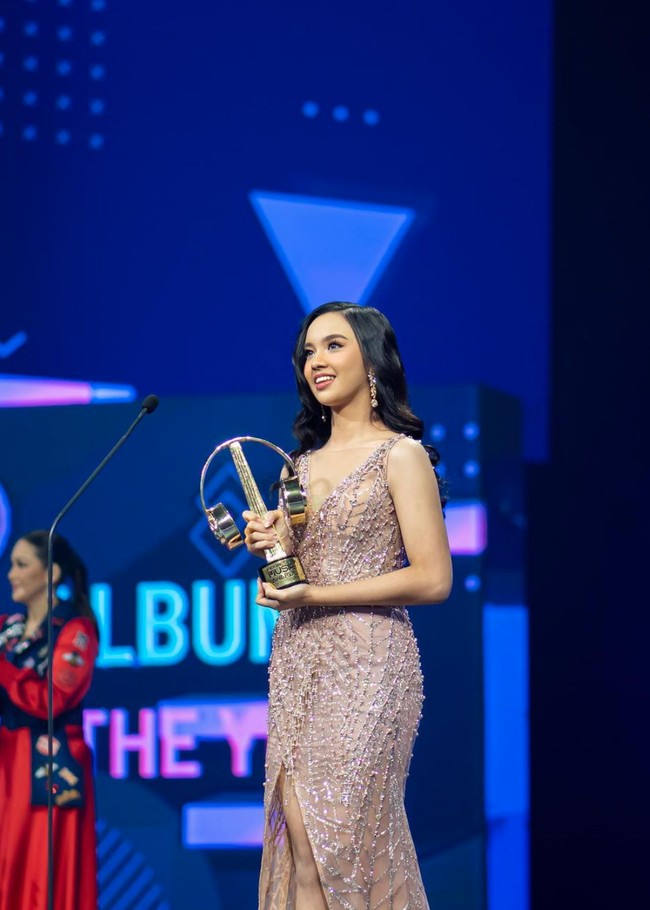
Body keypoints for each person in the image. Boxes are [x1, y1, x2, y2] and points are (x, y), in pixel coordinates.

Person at [243, 302, 453, 910]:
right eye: (308, 352)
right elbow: (300, 571)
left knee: (349, 843)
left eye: (334, 345)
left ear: (372, 359)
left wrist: (316, 594)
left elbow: (433, 578)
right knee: (303, 848)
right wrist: (274, 553)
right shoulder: (300, 466)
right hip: (299, 663)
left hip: (369, 666)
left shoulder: (400, 455)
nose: (317, 361)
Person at [0, 530, 99, 910]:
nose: (11, 574)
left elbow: (52, 699)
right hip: (7, 765)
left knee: (43, 877)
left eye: (21, 565)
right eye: (11, 564)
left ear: (51, 573)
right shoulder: (7, 631)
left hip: (48, 766)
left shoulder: (75, 629)